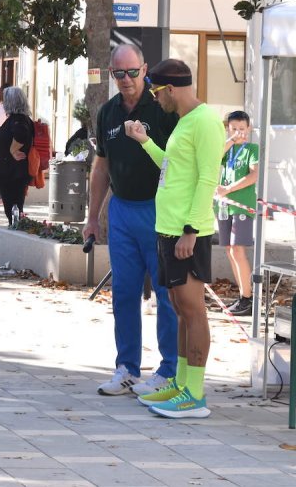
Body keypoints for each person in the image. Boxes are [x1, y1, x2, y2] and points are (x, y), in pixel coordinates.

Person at [124, 59, 224, 418]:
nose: (155, 99)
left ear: (169, 89)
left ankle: (194, 395)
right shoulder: (185, 122)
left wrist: (191, 231)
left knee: (193, 310)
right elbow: (174, 168)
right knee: (180, 309)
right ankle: (181, 385)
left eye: (155, 91)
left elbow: (207, 180)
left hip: (186, 232)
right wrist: (146, 142)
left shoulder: (206, 122)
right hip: (169, 229)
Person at [83, 43, 179, 398]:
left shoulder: (163, 108)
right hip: (121, 209)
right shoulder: (107, 112)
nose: (126, 80)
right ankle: (127, 368)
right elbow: (101, 167)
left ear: (145, 68)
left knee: (166, 293)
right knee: (123, 291)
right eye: (118, 73)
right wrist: (93, 217)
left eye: (132, 72)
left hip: (158, 208)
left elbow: (178, 163)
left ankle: (169, 370)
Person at [215, 110, 259, 316]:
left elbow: (253, 176)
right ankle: (242, 295)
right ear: (228, 129)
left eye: (242, 129)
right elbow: (214, 157)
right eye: (234, 129)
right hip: (224, 206)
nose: (239, 133)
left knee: (238, 250)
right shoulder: (227, 149)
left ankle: (248, 298)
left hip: (241, 206)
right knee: (230, 251)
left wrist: (228, 189)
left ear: (249, 129)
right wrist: (231, 141)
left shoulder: (252, 149)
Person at [0, 86, 34, 225]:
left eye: (5, 100)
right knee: (12, 205)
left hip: (12, 172)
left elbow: (21, 135)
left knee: (13, 205)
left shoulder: (18, 120)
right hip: (9, 171)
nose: (3, 103)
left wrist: (13, 150)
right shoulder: (17, 119)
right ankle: (15, 227)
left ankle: (16, 229)